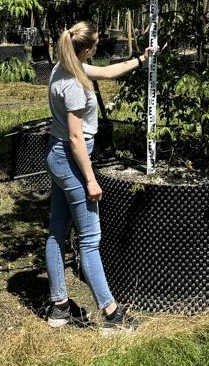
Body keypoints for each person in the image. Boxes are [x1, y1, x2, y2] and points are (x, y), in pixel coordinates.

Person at [45, 20, 150, 333]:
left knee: (57, 231)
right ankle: (111, 315)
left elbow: (105, 72)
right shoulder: (74, 85)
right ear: (86, 48)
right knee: (90, 241)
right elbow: (76, 139)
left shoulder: (63, 67)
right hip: (72, 159)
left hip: (56, 155)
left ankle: (60, 306)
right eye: (97, 43)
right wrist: (90, 179)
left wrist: (141, 60)